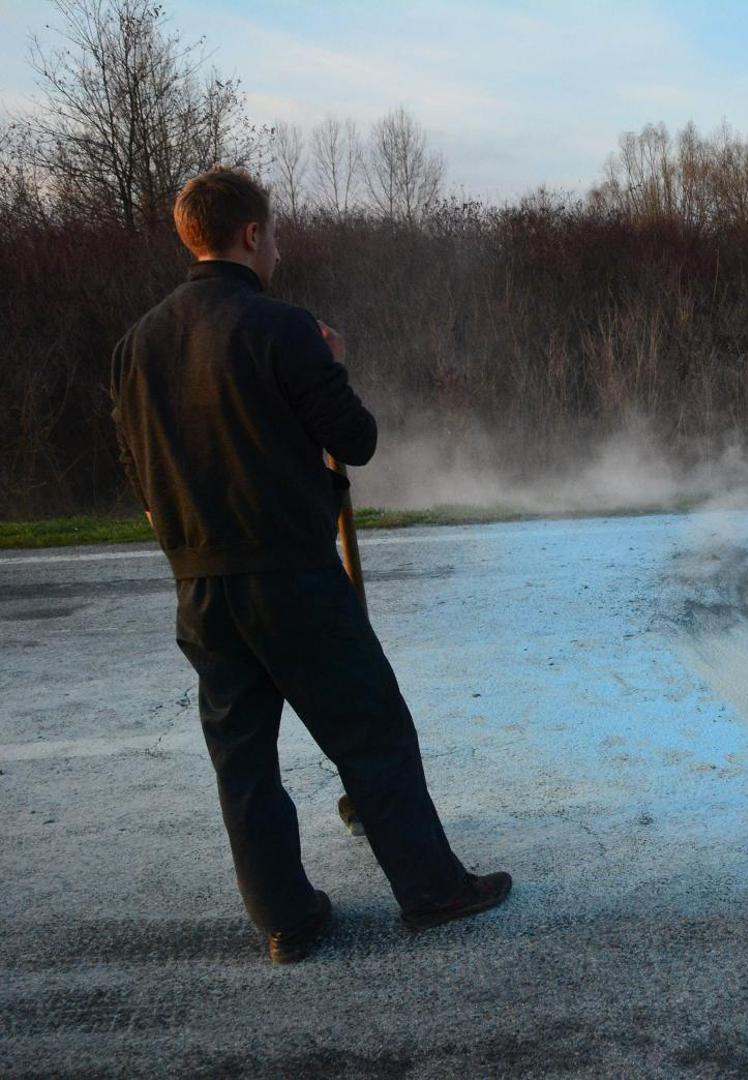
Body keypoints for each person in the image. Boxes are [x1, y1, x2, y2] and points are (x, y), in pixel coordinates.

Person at [110, 166, 509, 964]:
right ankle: (434, 891)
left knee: (243, 760)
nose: (279, 252)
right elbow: (355, 439)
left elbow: (138, 472)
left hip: (198, 584)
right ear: (250, 234)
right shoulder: (282, 327)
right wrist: (332, 363)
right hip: (290, 574)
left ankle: (286, 922)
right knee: (372, 730)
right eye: (275, 236)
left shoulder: (136, 345)